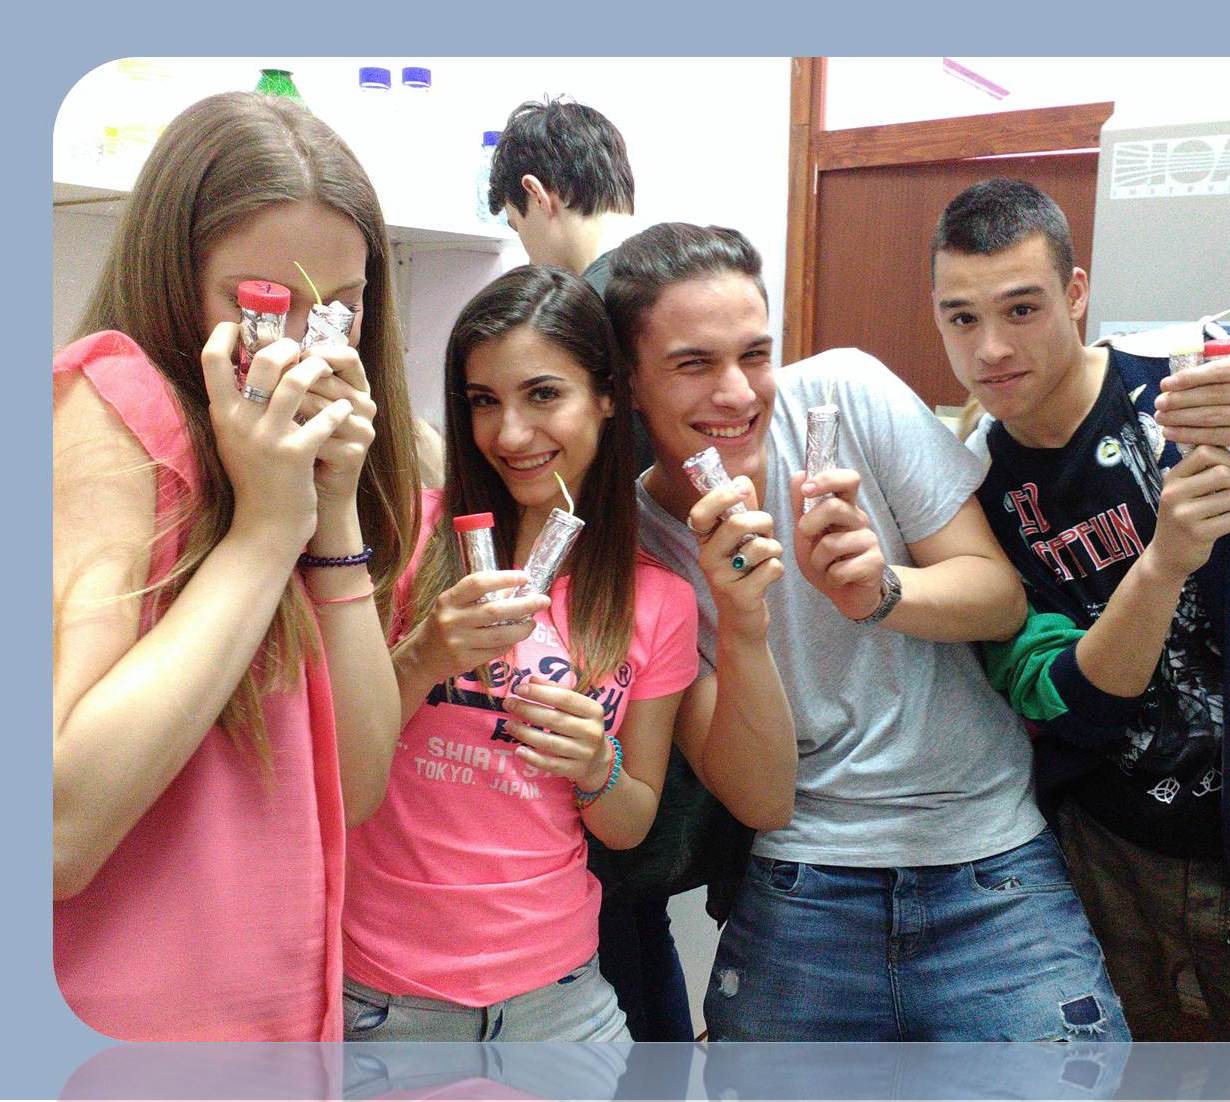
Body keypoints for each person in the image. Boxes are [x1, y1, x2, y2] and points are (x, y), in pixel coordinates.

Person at [606, 222, 1129, 1042]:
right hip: (802, 871)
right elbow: (762, 798)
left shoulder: (843, 396)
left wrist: (882, 591)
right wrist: (742, 623)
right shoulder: (637, 547)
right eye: (693, 364)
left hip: (986, 850)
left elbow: (999, 599)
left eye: (754, 354)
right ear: (630, 383)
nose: (737, 393)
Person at [932, 178, 1230, 1040]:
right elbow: (1063, 701)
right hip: (1106, 866)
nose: (991, 349)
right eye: (961, 318)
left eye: (1022, 309)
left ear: (1076, 293)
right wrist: (1163, 565)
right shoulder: (967, 487)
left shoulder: (1219, 374)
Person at [52, 91, 422, 1040]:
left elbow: (358, 785)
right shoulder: (114, 402)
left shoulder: (281, 464)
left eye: (338, 309)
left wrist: (328, 509)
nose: (300, 349)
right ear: (177, 279)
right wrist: (263, 533)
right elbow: (54, 831)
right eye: (259, 305)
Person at [340, 265, 705, 1041]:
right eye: (484, 401)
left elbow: (630, 823)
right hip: (385, 1001)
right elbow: (331, 770)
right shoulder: (402, 536)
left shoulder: (657, 599)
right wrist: (421, 658)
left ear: (607, 396)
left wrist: (596, 765)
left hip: (560, 1005)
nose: (508, 435)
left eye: (543, 395)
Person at [488, 96, 721, 1041]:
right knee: (635, 919)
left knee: (614, 915)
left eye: (516, 225)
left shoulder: (583, 312)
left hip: (609, 652)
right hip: (694, 640)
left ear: (537, 194)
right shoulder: (684, 287)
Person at [487, 97, 636, 294]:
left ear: (536, 194)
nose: (530, 261)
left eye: (517, 226)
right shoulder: (671, 266)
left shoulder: (588, 305)